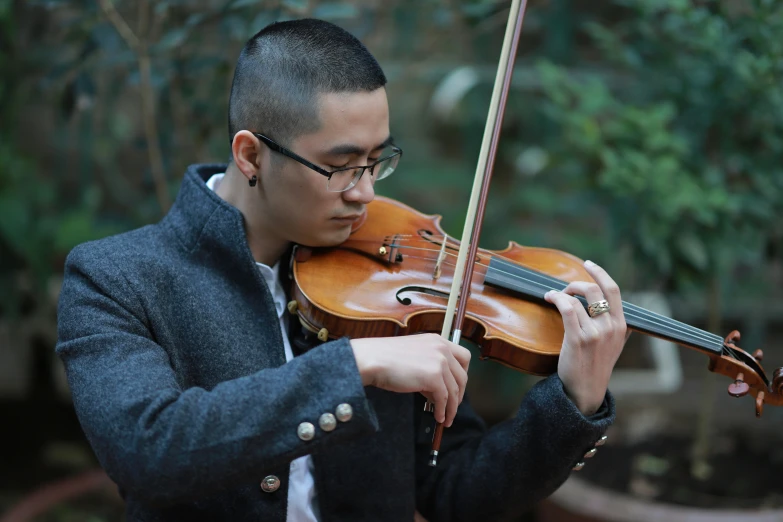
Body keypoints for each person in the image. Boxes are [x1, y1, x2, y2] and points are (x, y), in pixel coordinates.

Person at [56, 18, 628, 522]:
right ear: (251, 155)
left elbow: (457, 494)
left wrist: (573, 402)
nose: (367, 192)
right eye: (341, 165)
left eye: (378, 159)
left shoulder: (392, 289)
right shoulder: (115, 279)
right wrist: (353, 365)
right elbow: (149, 452)